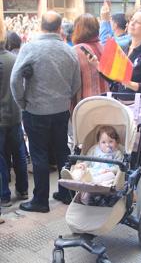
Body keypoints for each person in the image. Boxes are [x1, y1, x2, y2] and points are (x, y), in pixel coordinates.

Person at [91, 7, 141, 217]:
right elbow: (117, 82)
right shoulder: (128, 47)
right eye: (131, 20)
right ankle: (130, 194)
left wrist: (130, 83)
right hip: (129, 107)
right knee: (130, 152)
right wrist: (100, 67)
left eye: (138, 22)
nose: (132, 24)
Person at [10, 11, 81, 212]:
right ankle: (66, 192)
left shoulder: (30, 48)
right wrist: (64, 98)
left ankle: (40, 200)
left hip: (35, 110)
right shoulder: (69, 51)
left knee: (39, 154)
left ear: (41, 26)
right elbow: (76, 83)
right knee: (62, 152)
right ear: (59, 28)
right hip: (60, 110)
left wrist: (22, 101)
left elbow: (15, 79)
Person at [0, 33, 28, 207]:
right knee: (19, 154)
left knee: (1, 158)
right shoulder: (15, 58)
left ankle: (4, 195)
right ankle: (23, 190)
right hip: (16, 115)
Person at [72, 13, 109, 106]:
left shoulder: (76, 50)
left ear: (77, 29)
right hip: (106, 99)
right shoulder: (104, 47)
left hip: (85, 103)